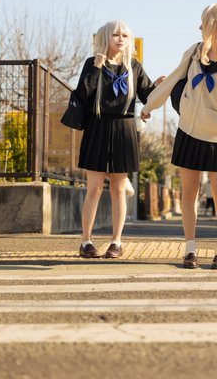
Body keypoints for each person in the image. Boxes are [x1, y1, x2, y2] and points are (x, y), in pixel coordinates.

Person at [141, 4, 217, 270]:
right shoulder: (193, 53)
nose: (200, 27)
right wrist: (150, 104)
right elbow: (172, 80)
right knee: (189, 193)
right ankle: (190, 249)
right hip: (188, 131)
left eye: (204, 22)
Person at [76, 20, 164, 259]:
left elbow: (147, 95)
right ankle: (86, 241)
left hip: (124, 128)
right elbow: (83, 94)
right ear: (105, 37)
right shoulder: (92, 63)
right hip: (97, 127)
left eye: (125, 35)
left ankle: (116, 241)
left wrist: (159, 86)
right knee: (94, 188)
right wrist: (96, 67)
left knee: (118, 188)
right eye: (116, 34)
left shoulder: (133, 66)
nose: (121, 39)